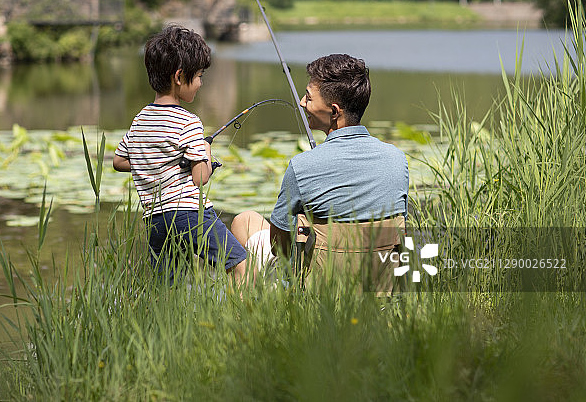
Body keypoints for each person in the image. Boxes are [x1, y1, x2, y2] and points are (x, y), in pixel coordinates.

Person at [231, 54, 409, 288]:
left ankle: (245, 314)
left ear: (334, 111)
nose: (302, 103)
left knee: (245, 221)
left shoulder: (302, 166)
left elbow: (279, 248)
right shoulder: (398, 160)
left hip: (318, 290)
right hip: (378, 288)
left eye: (308, 97)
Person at [113, 24, 247, 283]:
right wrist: (205, 152)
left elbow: (119, 161)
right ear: (179, 77)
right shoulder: (188, 121)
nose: (200, 83)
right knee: (240, 266)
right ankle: (241, 317)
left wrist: (155, 162)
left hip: (155, 221)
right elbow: (200, 177)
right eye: (197, 76)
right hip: (189, 214)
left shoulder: (140, 119)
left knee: (169, 289)